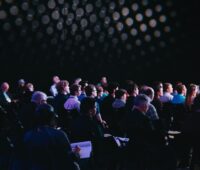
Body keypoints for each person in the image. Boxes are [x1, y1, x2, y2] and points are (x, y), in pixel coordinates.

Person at [23, 103, 80, 170]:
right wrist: (76, 153)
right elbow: (69, 159)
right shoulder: (59, 134)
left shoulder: (28, 135)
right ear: (52, 117)